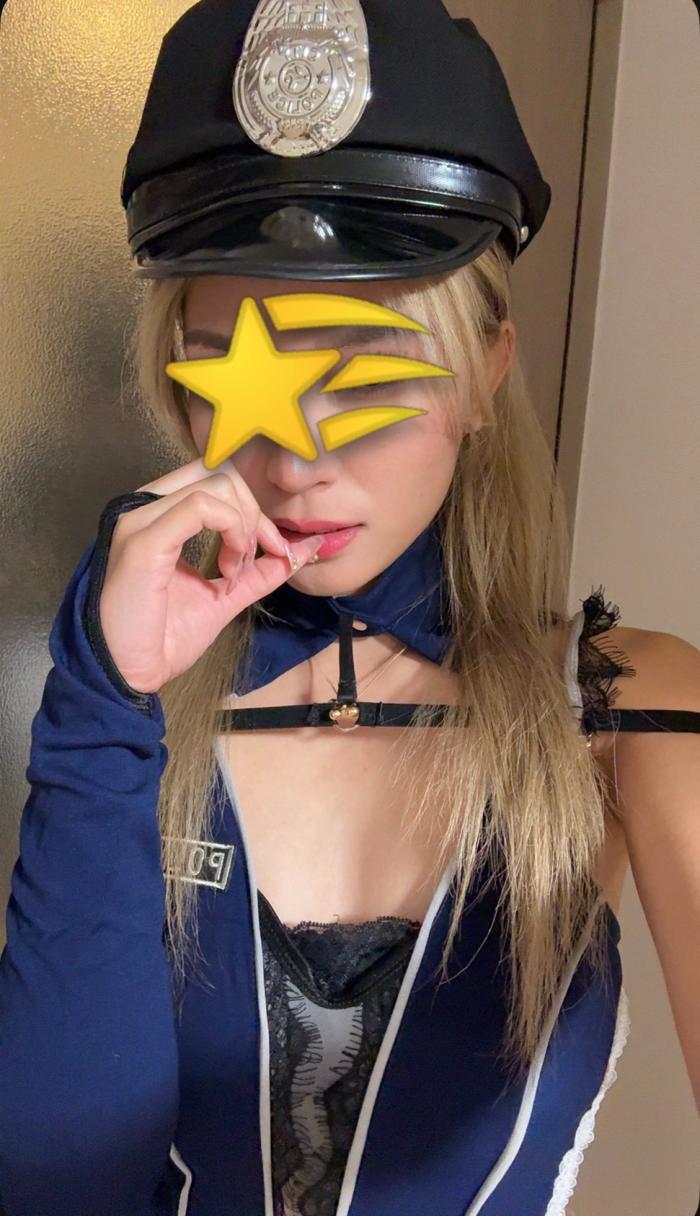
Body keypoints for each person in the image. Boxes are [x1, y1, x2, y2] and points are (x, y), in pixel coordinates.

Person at [1, 2, 699, 1214]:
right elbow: (59, 1178)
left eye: (364, 372)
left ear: (484, 372)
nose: (294, 460)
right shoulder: (139, 714)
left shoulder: (626, 710)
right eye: (232, 370)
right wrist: (98, 708)